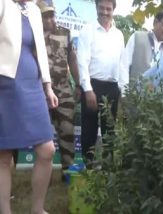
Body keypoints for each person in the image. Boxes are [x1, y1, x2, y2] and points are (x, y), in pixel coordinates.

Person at [0, 0, 59, 213]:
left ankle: (37, 209)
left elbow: (40, 51)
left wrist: (48, 87)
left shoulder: (34, 9)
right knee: (3, 155)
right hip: (4, 84)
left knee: (47, 150)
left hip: (32, 82)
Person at [77, 0, 125, 167]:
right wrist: (87, 89)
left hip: (112, 87)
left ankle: (107, 166)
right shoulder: (87, 30)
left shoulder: (118, 35)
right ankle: (88, 165)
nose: (104, 12)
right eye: (101, 8)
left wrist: (122, 91)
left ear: (113, 10)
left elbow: (121, 64)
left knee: (109, 128)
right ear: (96, 8)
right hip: (92, 85)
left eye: (108, 8)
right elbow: (82, 61)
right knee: (89, 127)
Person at [37, 0, 80, 174]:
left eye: (51, 15)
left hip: (63, 90)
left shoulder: (65, 32)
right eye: (45, 16)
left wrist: (78, 84)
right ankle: (41, 172)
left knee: (67, 130)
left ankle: (68, 170)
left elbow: (72, 60)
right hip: (39, 92)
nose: (49, 20)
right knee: (41, 134)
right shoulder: (32, 35)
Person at [121, 11, 163, 82]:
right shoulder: (137, 37)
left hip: (158, 92)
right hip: (134, 92)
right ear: (155, 22)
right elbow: (124, 66)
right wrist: (124, 92)